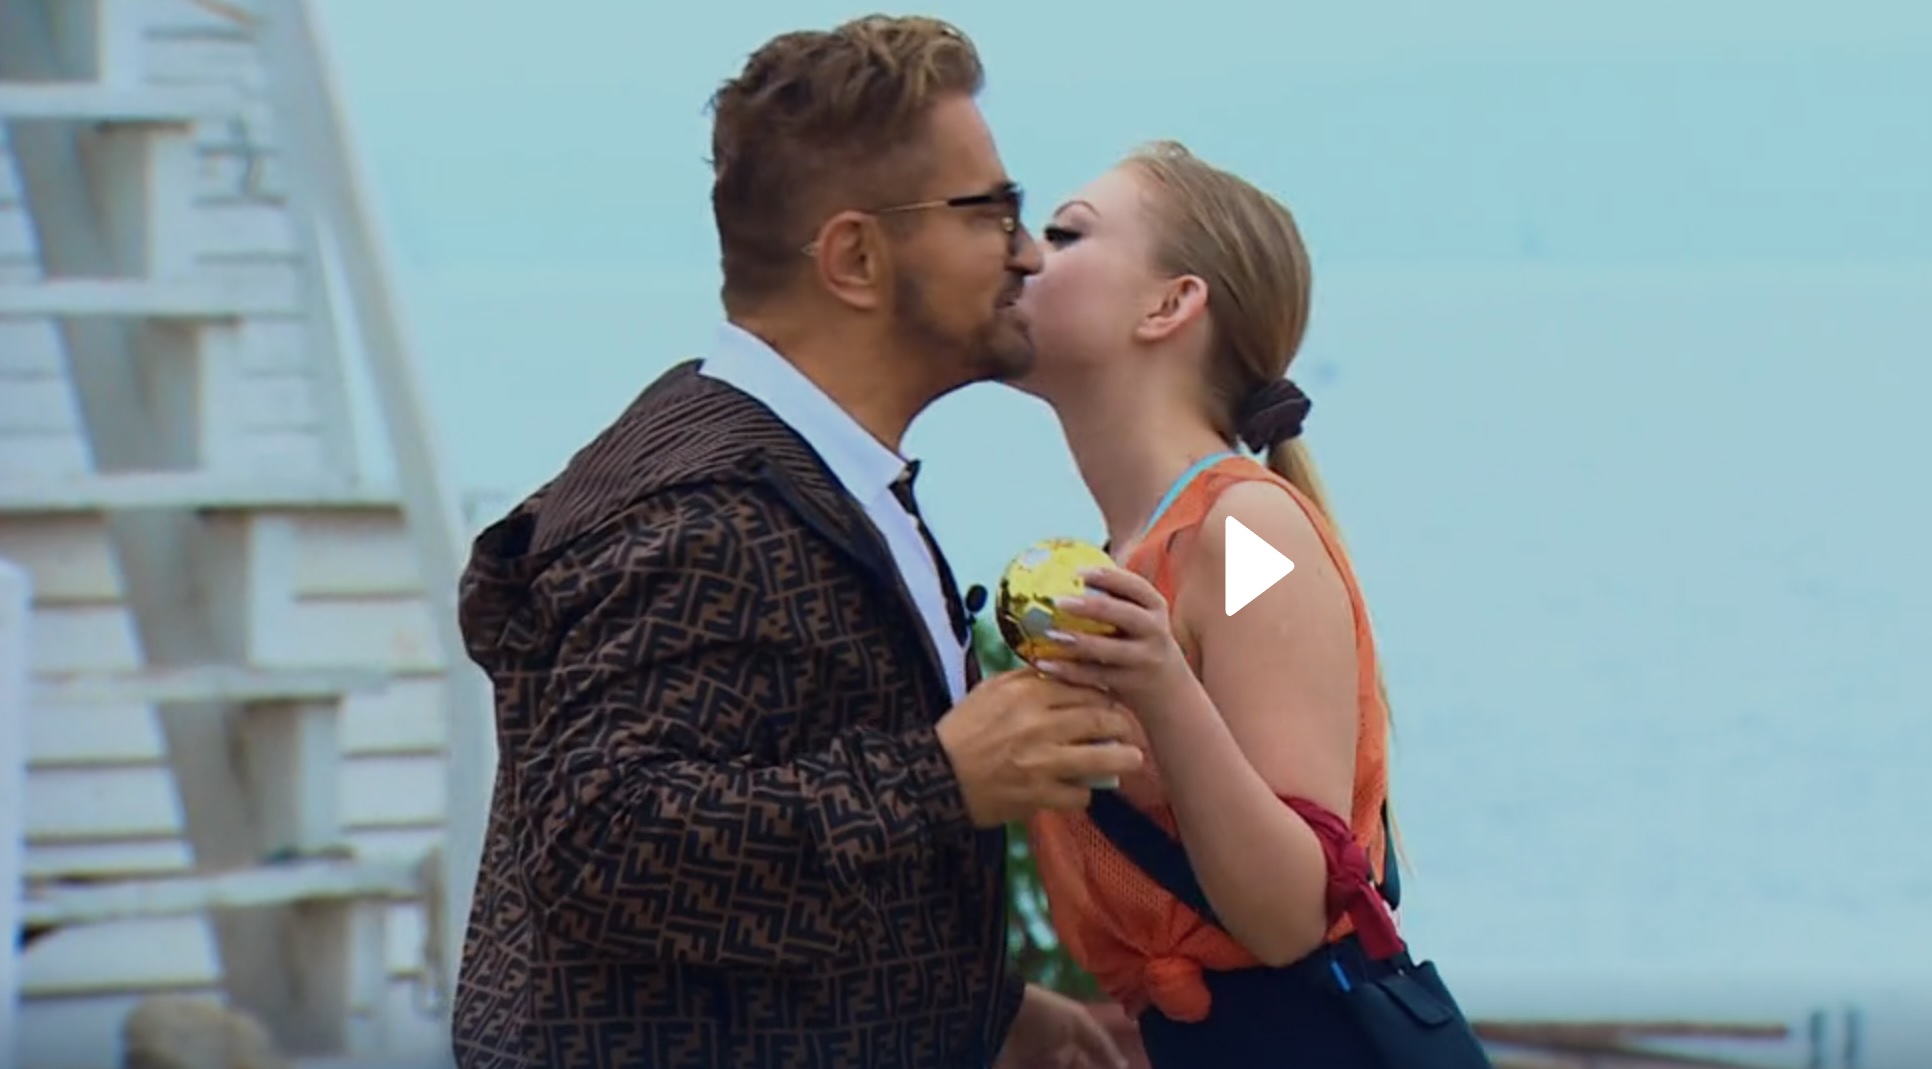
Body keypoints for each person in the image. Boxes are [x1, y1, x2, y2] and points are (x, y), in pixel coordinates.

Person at [448, 16, 1140, 1069]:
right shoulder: (706, 513)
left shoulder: (808, 475)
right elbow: (596, 844)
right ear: (855, 257)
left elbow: (764, 832)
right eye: (990, 212)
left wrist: (979, 1006)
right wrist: (937, 778)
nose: (1029, 251)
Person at [1010, 141, 1411, 1067]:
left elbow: (1293, 912)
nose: (1024, 252)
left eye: (1066, 234)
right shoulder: (1141, 549)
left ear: (1170, 305)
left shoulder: (1252, 536)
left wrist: (1162, 686)